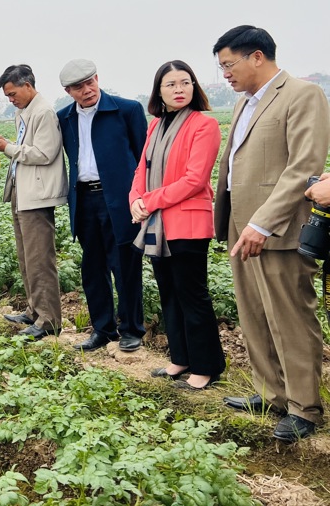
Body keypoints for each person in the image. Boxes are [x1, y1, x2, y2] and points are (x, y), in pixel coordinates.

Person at [212, 25, 330, 442]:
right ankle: (271, 393)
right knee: (254, 313)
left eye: (229, 64)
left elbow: (302, 166)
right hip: (240, 225)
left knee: (290, 317)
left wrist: (263, 221)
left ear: (256, 56)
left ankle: (304, 408)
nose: (225, 73)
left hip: (277, 229)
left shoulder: (302, 95)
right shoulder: (245, 103)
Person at [129, 61, 225, 390]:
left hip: (188, 223)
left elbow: (195, 180)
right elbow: (141, 168)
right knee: (169, 292)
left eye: (186, 83)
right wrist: (135, 200)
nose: (179, 89)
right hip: (159, 224)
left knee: (192, 294)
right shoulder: (155, 126)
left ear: (195, 87)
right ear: (159, 92)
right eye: (171, 84)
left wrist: (150, 201)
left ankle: (205, 367)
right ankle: (180, 359)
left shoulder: (204, 125)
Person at [57, 59, 148, 352]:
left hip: (120, 200)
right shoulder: (65, 118)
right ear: (68, 91)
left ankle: (132, 329)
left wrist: (140, 198)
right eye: (78, 87)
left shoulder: (127, 110)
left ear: (98, 79)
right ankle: (102, 329)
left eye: (90, 82)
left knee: (124, 265)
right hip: (83, 198)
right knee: (92, 266)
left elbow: (143, 158)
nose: (87, 90)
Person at [0, 65, 67, 339]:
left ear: (28, 86)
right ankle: (34, 311)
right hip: (23, 191)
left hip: (37, 194)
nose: (11, 99)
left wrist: (7, 148)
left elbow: (44, 153)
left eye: (12, 93)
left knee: (40, 260)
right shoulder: (24, 113)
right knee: (26, 258)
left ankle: (49, 321)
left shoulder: (43, 112)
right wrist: (7, 143)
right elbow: (26, 147)